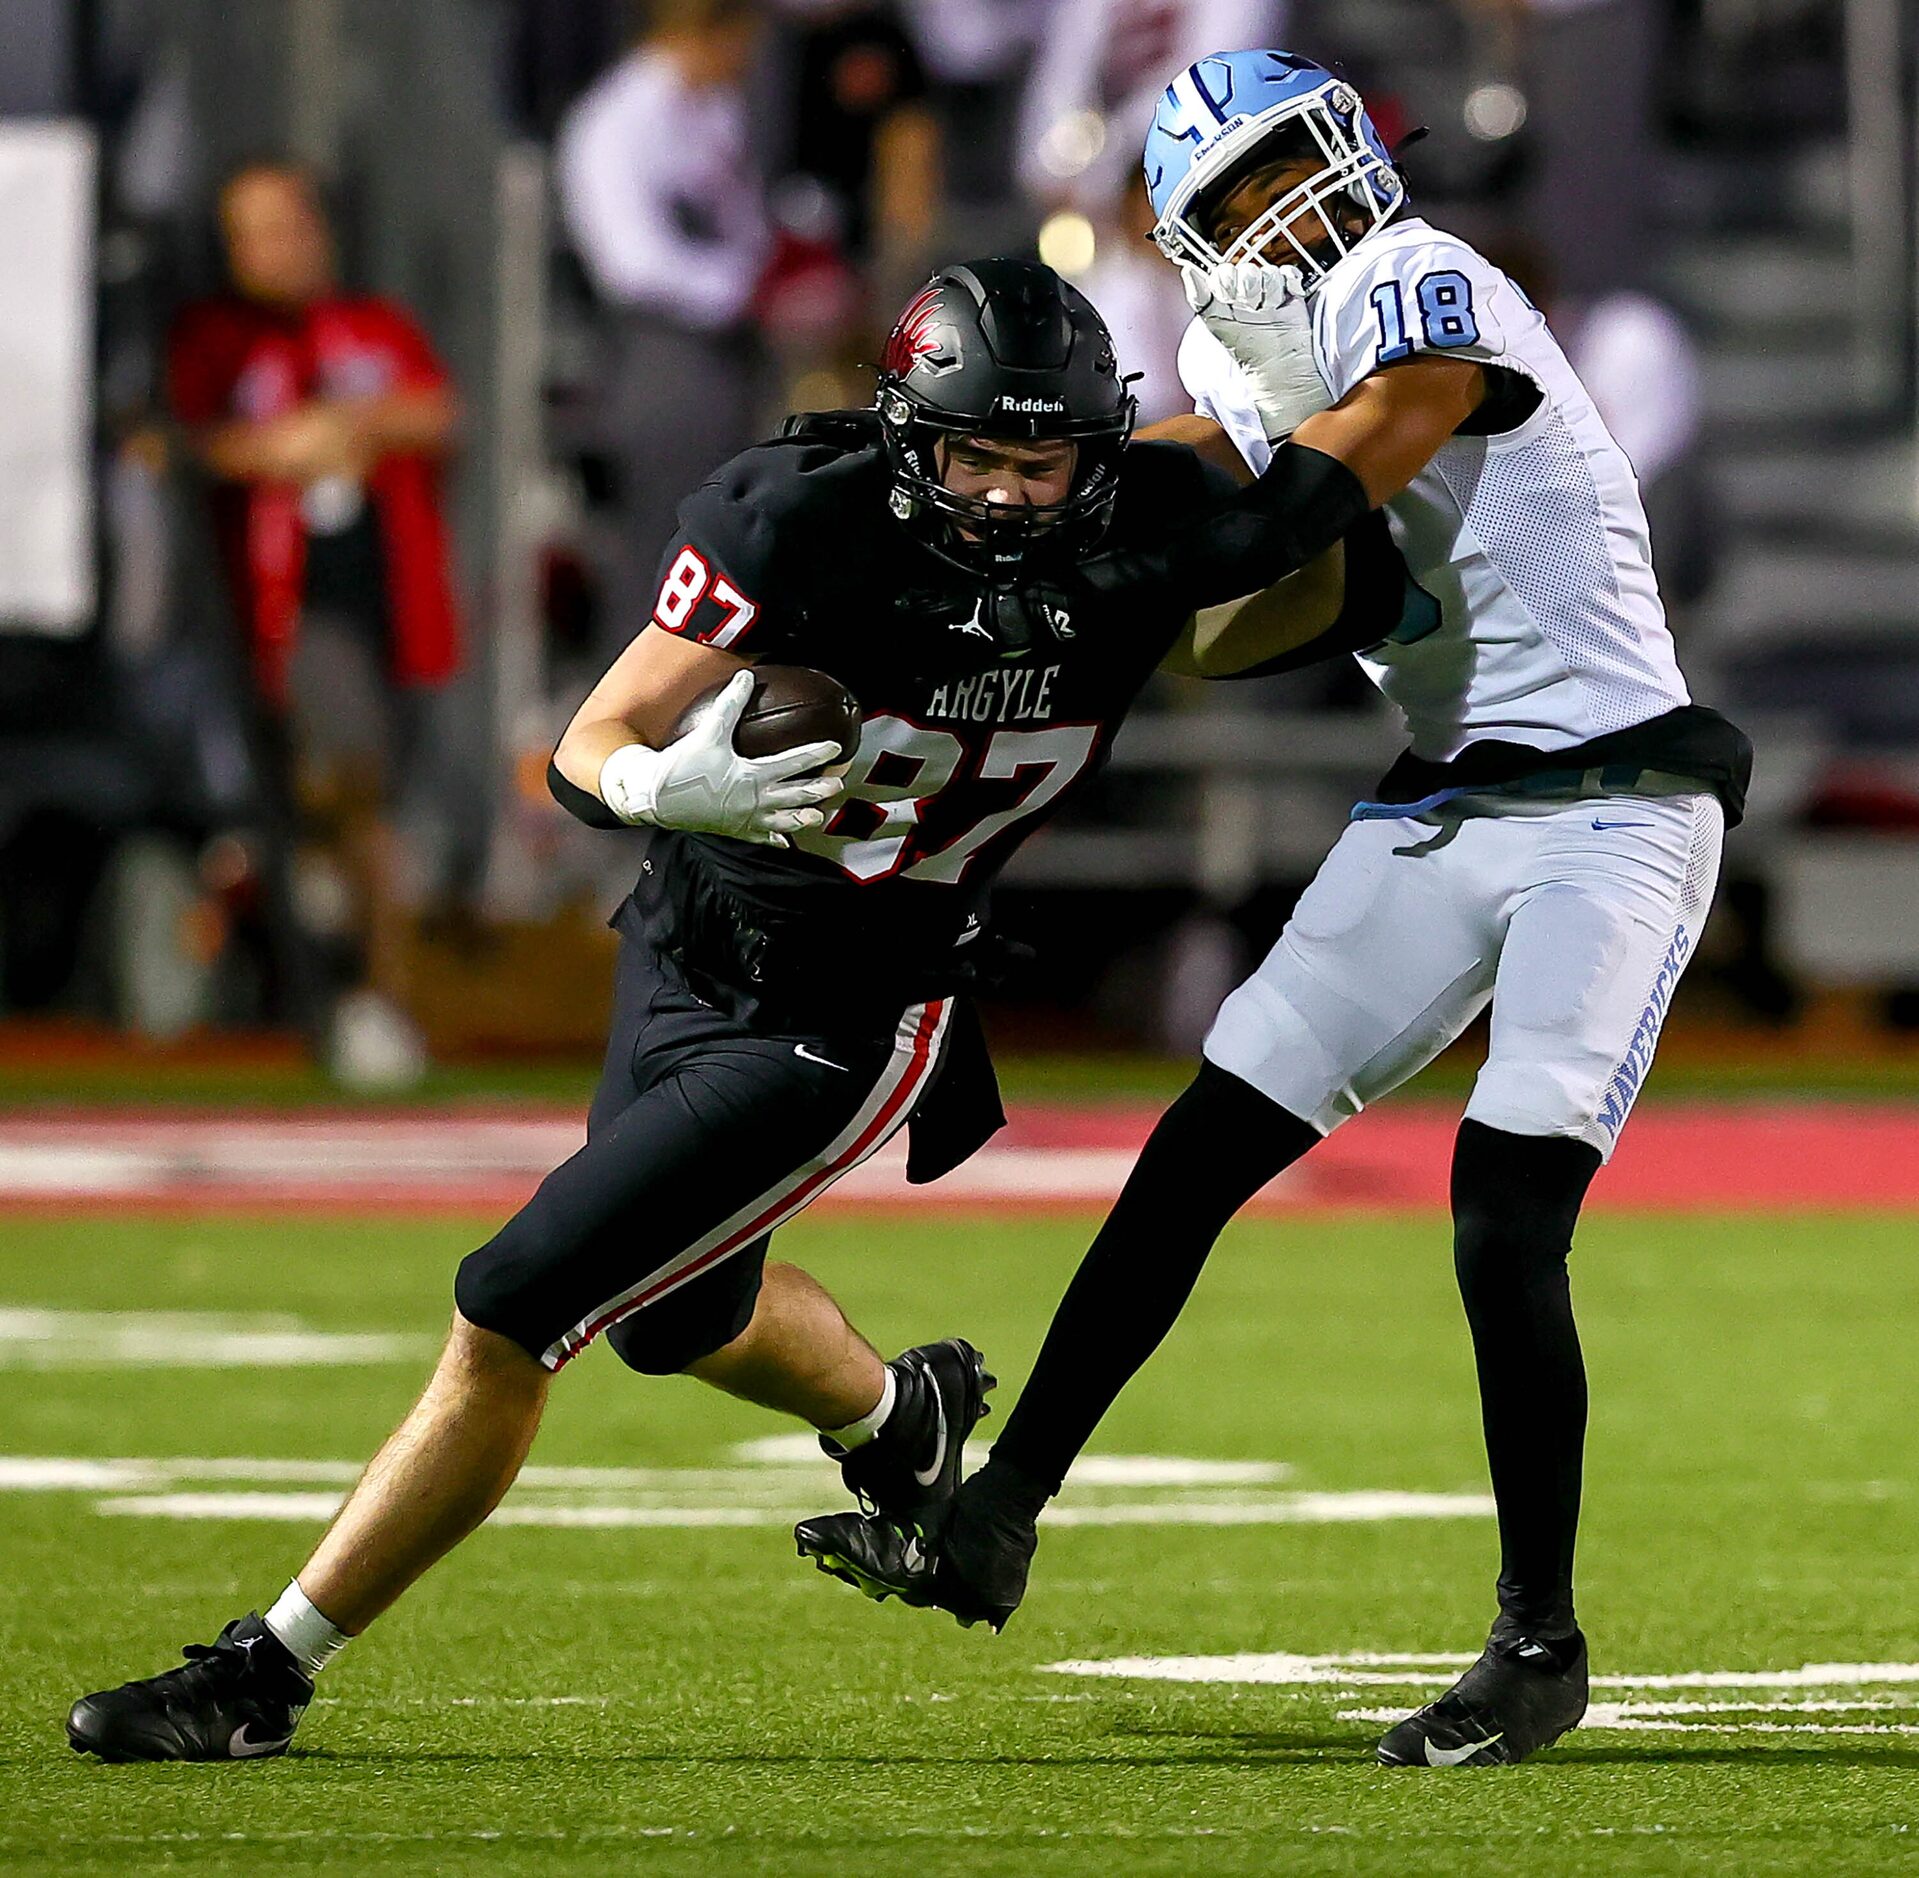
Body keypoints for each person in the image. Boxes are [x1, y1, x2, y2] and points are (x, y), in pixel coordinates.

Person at [67, 256, 1420, 1763]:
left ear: (1096, 452)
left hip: (848, 1012)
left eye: (1044, 462)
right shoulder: (796, 520)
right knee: (678, 1316)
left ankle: (264, 1669)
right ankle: (899, 1417)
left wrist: (1291, 407)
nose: (1011, 499)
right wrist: (659, 783)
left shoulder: (1160, 526)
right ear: (907, 434)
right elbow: (589, 740)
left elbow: (1355, 491)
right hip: (686, 930)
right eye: (976, 453)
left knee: (514, 1302)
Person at [795, 52, 1754, 1772]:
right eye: (1241, 196)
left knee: (1498, 1214)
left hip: (1613, 797)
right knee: (1194, 1150)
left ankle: (1535, 1640)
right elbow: (1179, 459)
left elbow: (1323, 482)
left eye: (1297, 164)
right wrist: (1015, 479)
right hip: (1451, 790)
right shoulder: (1249, 347)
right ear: (1195, 237)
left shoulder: (1414, 279)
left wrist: (1120, 560)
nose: (1291, 206)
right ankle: (995, 1513)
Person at [165, 158, 462, 1087]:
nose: (277, 249)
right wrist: (274, 447)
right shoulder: (218, 339)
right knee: (349, 797)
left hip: (386, 601)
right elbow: (180, 437)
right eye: (253, 231)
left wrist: (349, 423)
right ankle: (364, 997)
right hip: (280, 612)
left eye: (287, 225)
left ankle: (363, 996)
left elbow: (437, 410)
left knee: (365, 807)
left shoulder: (370, 327)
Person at [556, 0, 773, 650]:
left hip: (728, 350)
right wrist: (744, 287)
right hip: (659, 355)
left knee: (731, 551)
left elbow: (739, 221)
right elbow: (631, 264)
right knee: (668, 553)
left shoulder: (710, 110)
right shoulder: (616, 122)